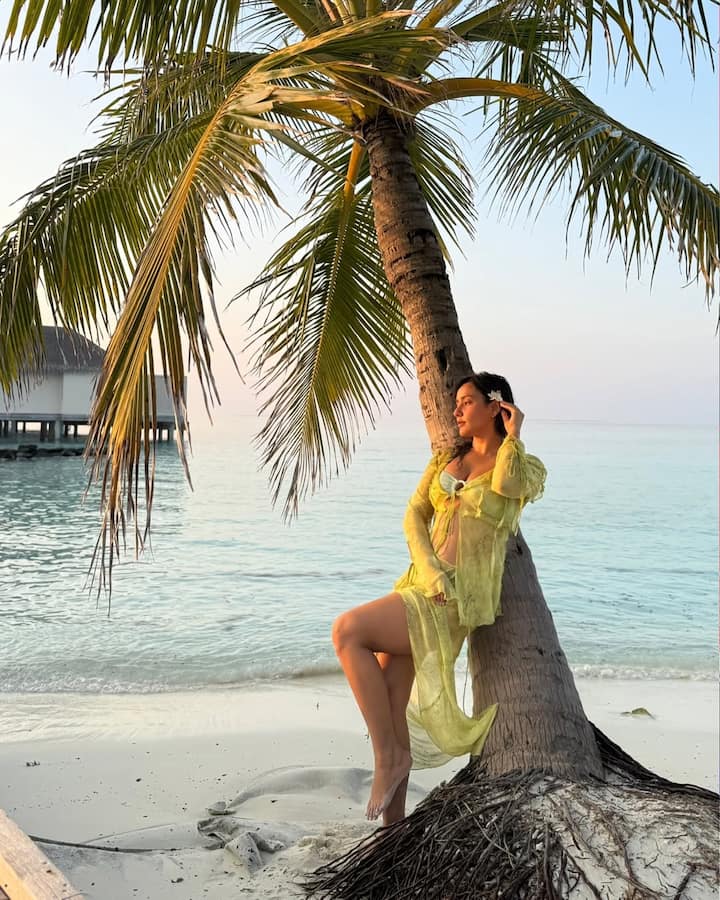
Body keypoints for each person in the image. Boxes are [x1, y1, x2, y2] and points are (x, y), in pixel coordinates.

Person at [331, 372, 546, 825]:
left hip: (454, 601)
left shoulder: (521, 466)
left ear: (496, 406)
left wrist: (514, 433)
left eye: (467, 402)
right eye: (456, 403)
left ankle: (387, 759)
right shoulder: (447, 458)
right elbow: (414, 513)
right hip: (421, 584)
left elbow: (507, 487)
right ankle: (393, 830)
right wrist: (428, 569)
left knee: (347, 630)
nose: (457, 410)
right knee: (391, 699)